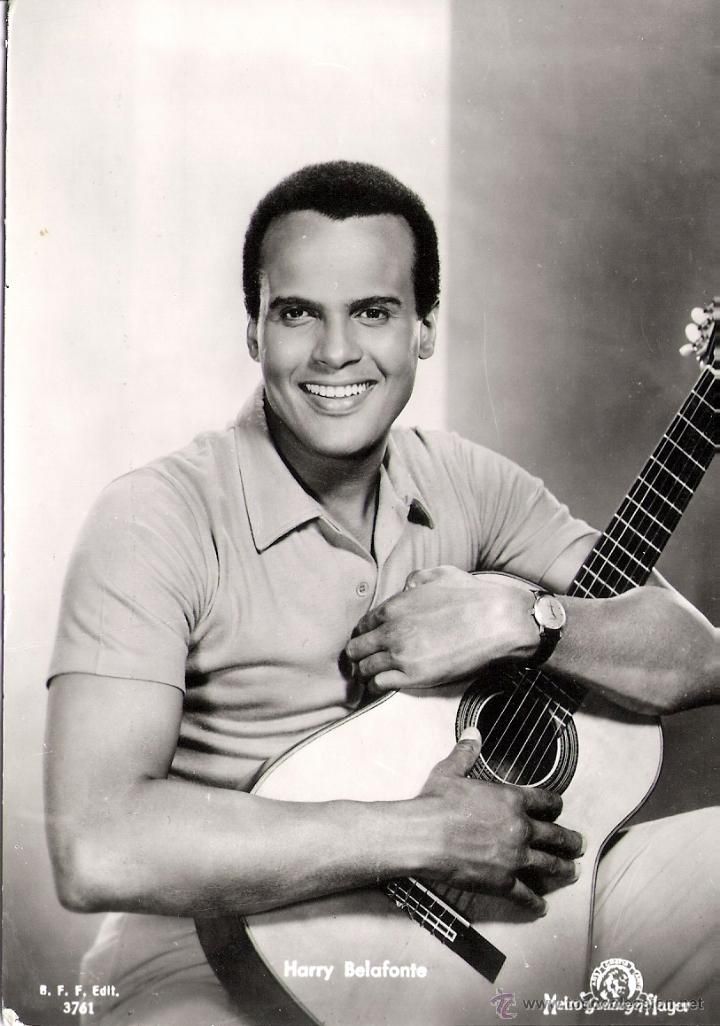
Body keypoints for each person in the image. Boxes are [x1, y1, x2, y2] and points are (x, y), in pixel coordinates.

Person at [45, 161, 718, 1026]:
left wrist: (520, 617)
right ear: (253, 331)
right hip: (216, 942)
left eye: (373, 310)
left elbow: (696, 657)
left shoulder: (468, 480)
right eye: (297, 313)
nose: (334, 353)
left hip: (491, 911)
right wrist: (427, 833)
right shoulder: (152, 517)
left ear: (424, 330)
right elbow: (95, 847)